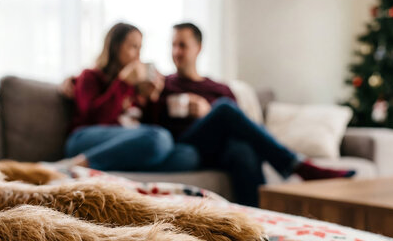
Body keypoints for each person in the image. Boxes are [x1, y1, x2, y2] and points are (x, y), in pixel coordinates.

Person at [144, 23, 355, 206]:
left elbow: (240, 128)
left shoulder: (218, 88)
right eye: (173, 45)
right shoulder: (165, 84)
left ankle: (257, 223)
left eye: (182, 45)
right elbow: (152, 129)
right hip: (187, 146)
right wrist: (152, 96)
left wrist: (206, 111)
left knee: (244, 150)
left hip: (220, 151)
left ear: (198, 48)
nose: (176, 51)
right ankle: (298, 165)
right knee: (225, 108)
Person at [57, 23, 200, 172]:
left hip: (127, 143)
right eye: (133, 47)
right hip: (84, 138)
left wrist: (153, 98)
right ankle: (80, 164)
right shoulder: (91, 76)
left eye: (140, 48)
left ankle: (119, 164)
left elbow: (149, 128)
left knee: (188, 155)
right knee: (159, 138)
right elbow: (95, 118)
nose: (138, 55)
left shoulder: (137, 86)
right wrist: (123, 82)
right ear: (115, 47)